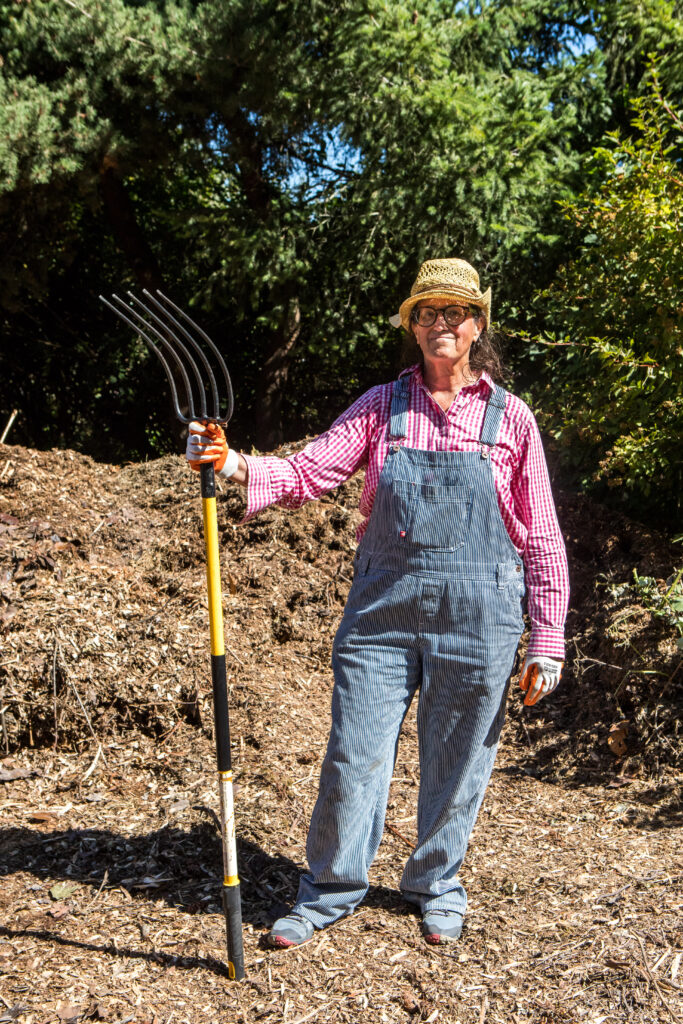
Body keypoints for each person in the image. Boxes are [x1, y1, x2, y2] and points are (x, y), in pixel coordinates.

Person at [186, 258, 569, 947]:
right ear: (413, 326)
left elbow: (539, 533)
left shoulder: (511, 419)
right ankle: (331, 888)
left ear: (477, 324)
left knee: (457, 765)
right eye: (426, 313)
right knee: (352, 753)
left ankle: (434, 884)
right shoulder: (381, 405)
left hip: (479, 617)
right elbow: (307, 471)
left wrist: (546, 639)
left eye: (453, 312)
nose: (439, 324)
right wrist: (234, 464)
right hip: (381, 615)